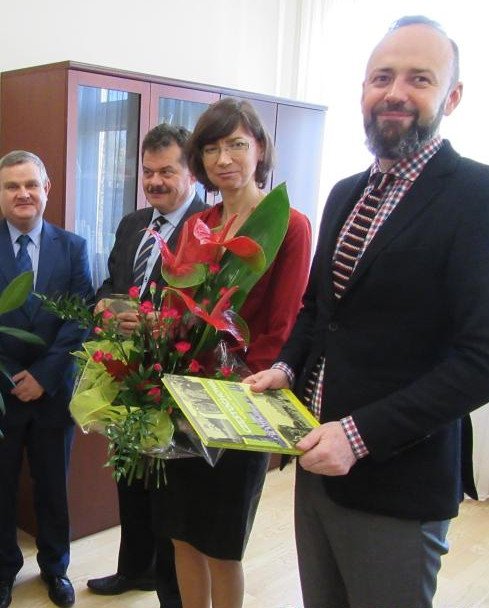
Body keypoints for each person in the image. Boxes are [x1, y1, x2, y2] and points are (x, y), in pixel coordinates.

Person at [246, 16, 489, 608]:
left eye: (419, 79)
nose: (395, 92)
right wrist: (287, 368)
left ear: (452, 96)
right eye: (382, 77)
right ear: (363, 91)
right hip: (315, 461)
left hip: (398, 481)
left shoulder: (485, 196)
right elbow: (319, 309)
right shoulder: (346, 192)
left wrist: (358, 437)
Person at [153, 98, 312, 608]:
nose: (224, 159)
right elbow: (178, 306)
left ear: (259, 148)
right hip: (187, 399)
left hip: (243, 401)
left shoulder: (289, 225)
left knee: (221, 546)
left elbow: (283, 323)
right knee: (181, 535)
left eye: (237, 145)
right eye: (212, 149)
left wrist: (237, 391)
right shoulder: (198, 223)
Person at [0, 150, 94, 608]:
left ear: (46, 189)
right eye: (12, 186)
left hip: (52, 393)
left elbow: (81, 317)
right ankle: (3, 571)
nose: (23, 194)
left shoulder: (73, 247)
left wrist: (44, 375)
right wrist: (11, 375)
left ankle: (56, 568)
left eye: (31, 184)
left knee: (53, 489)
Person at [87, 123, 207, 608]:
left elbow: (210, 312)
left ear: (191, 172)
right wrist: (102, 307)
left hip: (178, 382)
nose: (155, 181)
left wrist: (162, 324)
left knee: (170, 501)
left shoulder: (208, 228)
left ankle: (170, 592)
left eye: (167, 172)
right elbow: (112, 283)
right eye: (148, 172)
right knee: (131, 481)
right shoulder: (133, 223)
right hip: (126, 375)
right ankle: (132, 570)